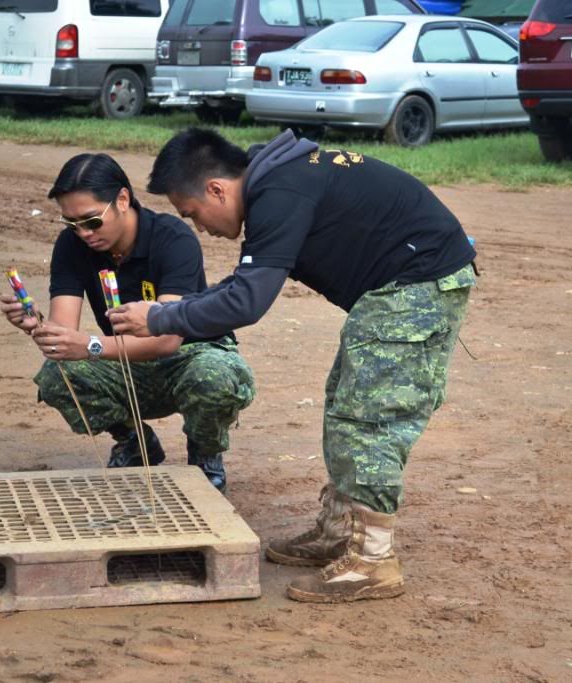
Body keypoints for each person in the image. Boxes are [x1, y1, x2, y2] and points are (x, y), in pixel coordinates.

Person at [106, 128, 476, 603]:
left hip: (417, 287)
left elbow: (247, 302)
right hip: (398, 289)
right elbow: (244, 283)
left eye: (193, 214)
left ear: (216, 189)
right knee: (346, 404)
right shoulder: (277, 183)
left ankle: (373, 560)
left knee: (367, 420)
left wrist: (160, 315)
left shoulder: (279, 192)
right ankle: (341, 531)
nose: (198, 227)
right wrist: (176, 310)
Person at [0, 153, 255, 492]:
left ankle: (205, 455)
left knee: (214, 377)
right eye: (71, 224)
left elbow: (167, 341)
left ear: (122, 199)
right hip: (126, 357)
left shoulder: (172, 238)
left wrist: (87, 345)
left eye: (91, 221)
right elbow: (63, 339)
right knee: (57, 374)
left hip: (190, 356)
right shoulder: (72, 246)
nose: (83, 233)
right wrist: (35, 325)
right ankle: (135, 442)